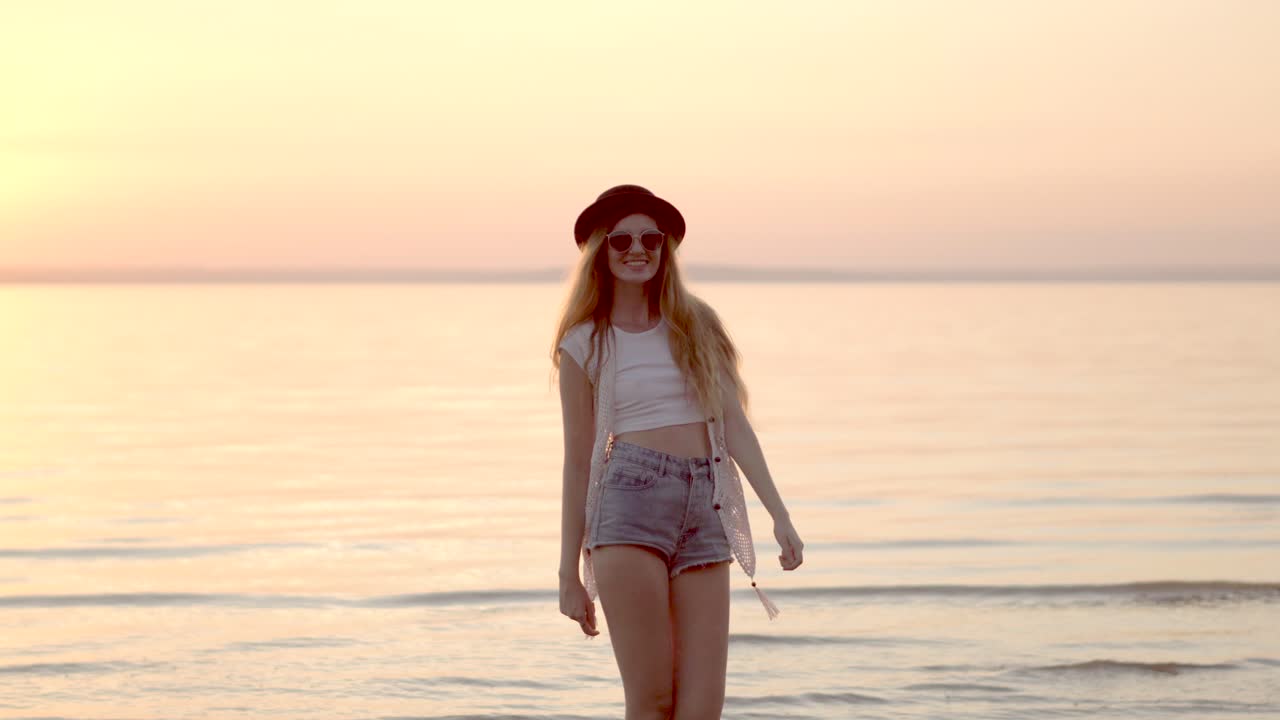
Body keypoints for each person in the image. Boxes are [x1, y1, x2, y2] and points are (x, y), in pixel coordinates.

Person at [552, 184, 804, 718]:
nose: (637, 250)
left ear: (665, 249)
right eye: (621, 240)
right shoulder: (584, 342)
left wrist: (779, 515)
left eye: (650, 239)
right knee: (653, 700)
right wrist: (568, 574)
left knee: (702, 706)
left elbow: (733, 424)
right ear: (601, 252)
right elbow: (577, 461)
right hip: (628, 503)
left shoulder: (696, 324)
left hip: (707, 503)